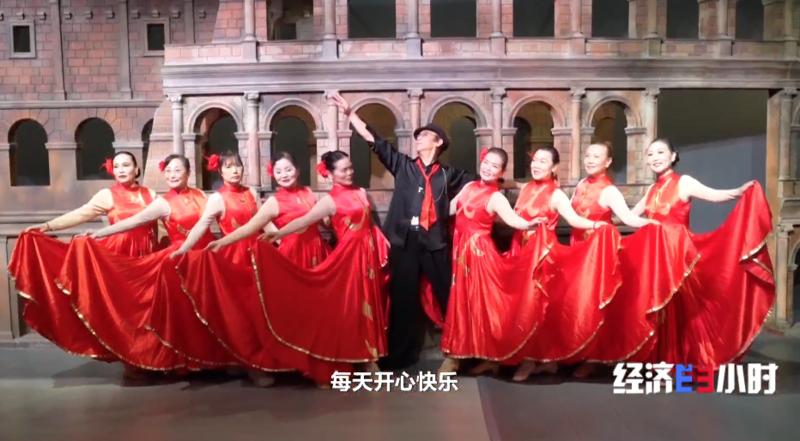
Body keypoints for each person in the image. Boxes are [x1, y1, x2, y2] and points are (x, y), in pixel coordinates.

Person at [331, 92, 475, 370]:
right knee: (403, 299)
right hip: (404, 242)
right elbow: (374, 141)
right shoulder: (404, 166)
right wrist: (350, 113)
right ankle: (398, 357)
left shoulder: (449, 174)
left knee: (449, 296)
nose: (418, 138)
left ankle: (461, 353)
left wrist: (451, 206)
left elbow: (479, 185)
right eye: (418, 136)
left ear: (439, 142)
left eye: (425, 135)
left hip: (435, 242)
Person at [8, 151, 156, 363]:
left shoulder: (150, 194)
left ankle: (148, 358)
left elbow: (160, 225)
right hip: (116, 260)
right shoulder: (107, 195)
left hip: (146, 259)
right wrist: (48, 226)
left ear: (136, 169)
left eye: (126, 165)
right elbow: (81, 213)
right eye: (117, 166)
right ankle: (130, 360)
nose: (121, 170)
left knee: (147, 311)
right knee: (124, 311)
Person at [438, 148, 549, 374]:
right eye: (486, 163)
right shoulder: (469, 187)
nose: (488, 168)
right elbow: (449, 209)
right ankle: (460, 356)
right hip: (461, 252)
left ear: (501, 172)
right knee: (463, 302)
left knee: (485, 306)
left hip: (480, 255)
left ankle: (480, 357)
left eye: (495, 166)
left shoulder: (496, 197)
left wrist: (530, 223)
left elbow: (514, 221)